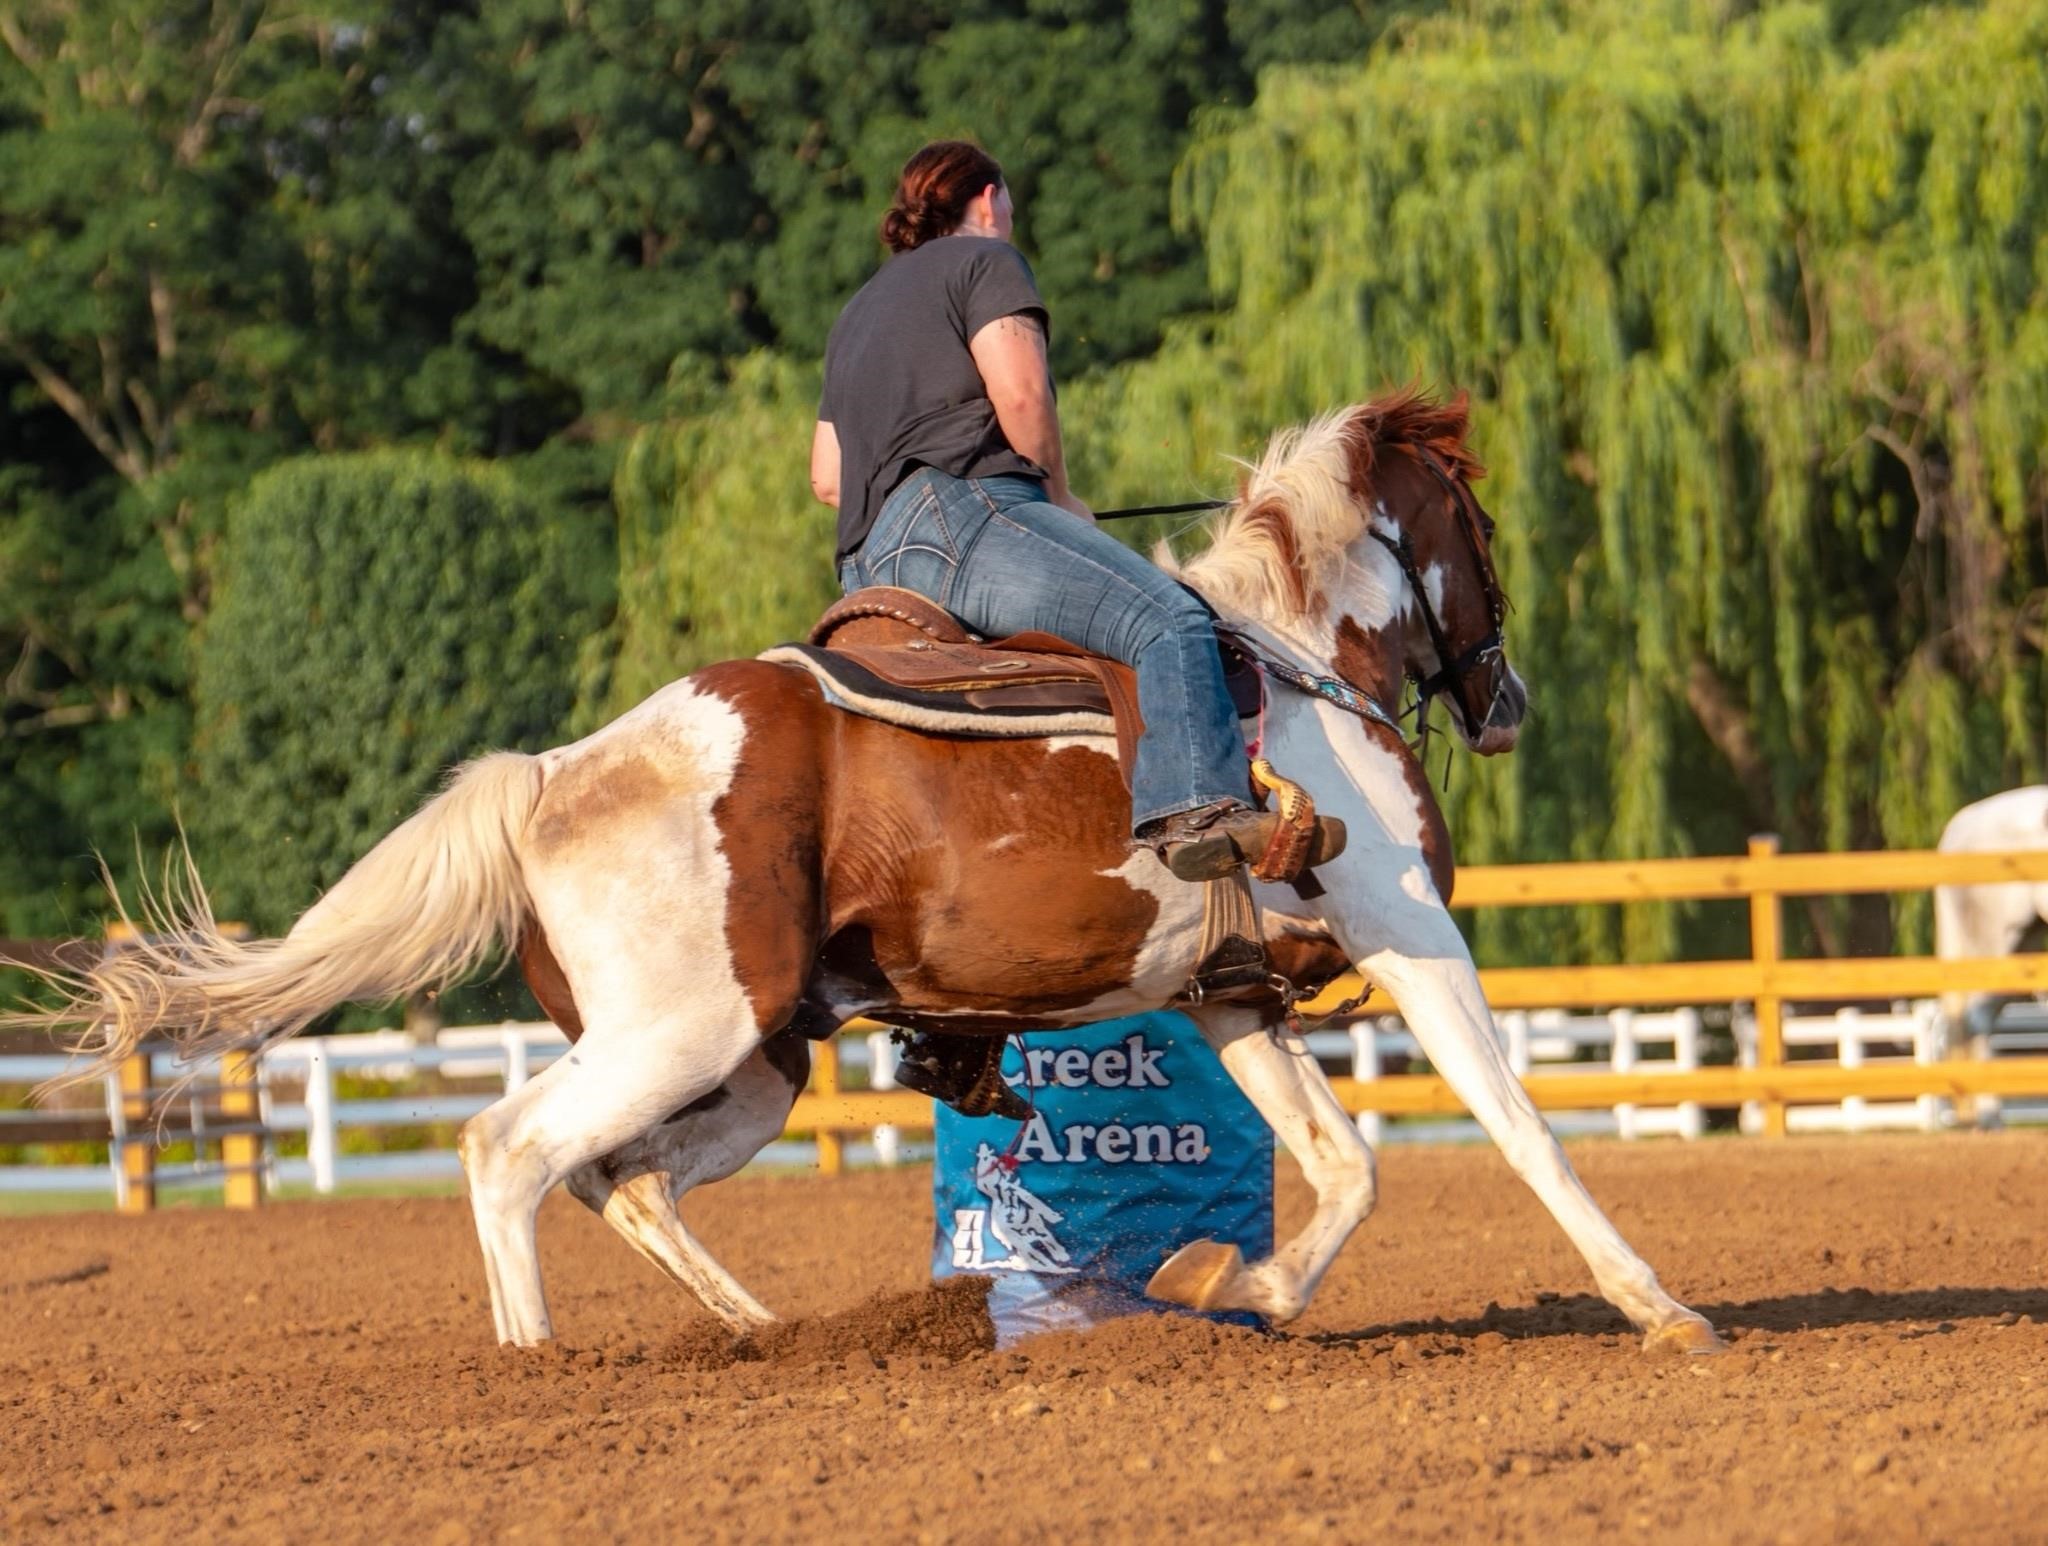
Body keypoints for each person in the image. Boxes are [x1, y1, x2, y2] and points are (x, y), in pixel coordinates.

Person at [812, 140, 1345, 886]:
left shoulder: (856, 315)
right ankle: (1198, 807)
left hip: (868, 566)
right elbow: (1023, 399)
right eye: (1007, 206)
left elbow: (828, 479)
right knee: (1170, 619)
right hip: (964, 518)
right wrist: (1060, 500)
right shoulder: (987, 262)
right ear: (990, 200)